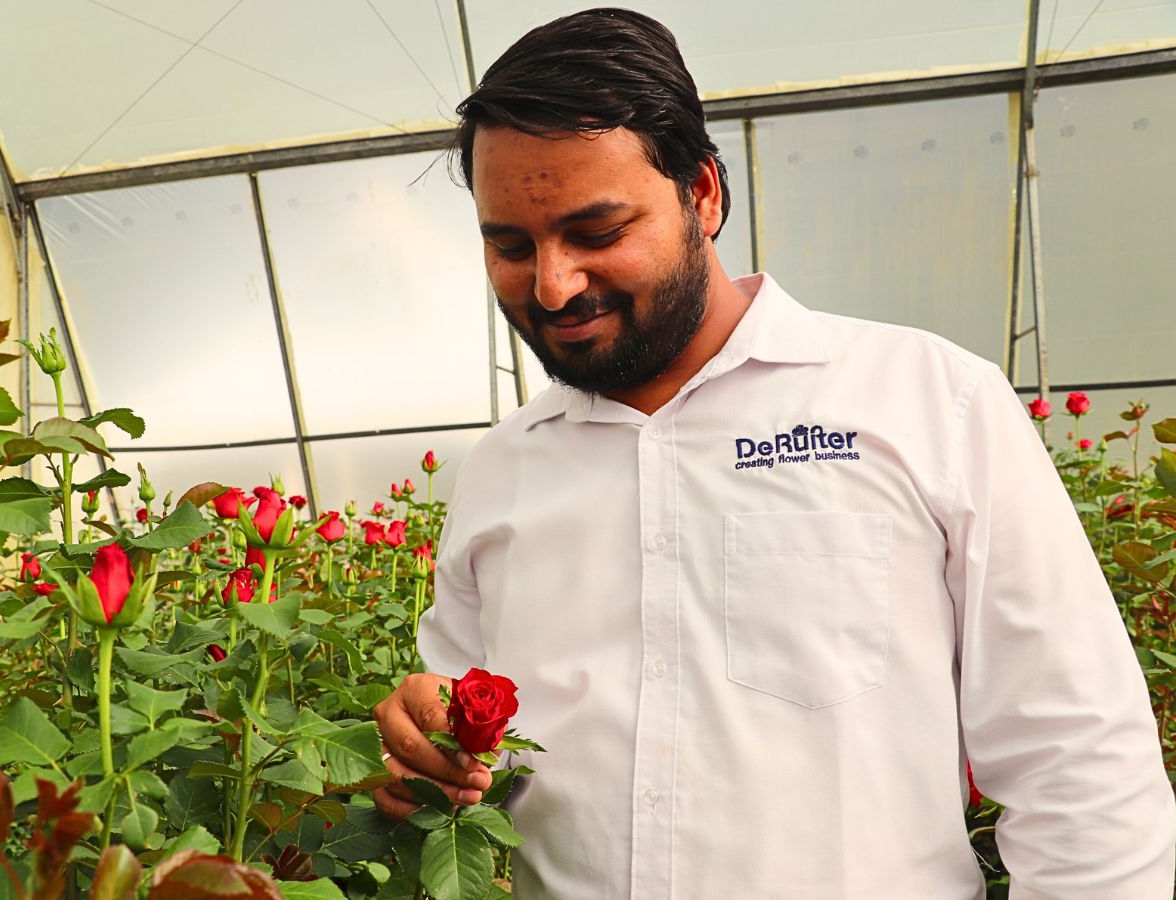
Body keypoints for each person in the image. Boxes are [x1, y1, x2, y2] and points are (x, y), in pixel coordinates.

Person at [373, 8, 1175, 898]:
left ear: (703, 195)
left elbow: (1080, 767)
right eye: (510, 246)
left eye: (597, 233)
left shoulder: (924, 402)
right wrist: (424, 753)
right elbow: (457, 754)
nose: (554, 284)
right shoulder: (500, 472)